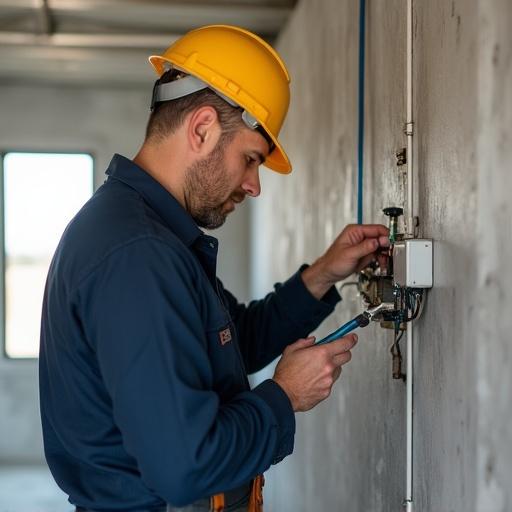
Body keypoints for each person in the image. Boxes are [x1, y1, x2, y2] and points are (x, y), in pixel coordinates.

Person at [39, 25, 389, 512]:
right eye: (251, 159)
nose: (254, 185)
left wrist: (325, 274)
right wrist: (283, 396)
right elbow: (186, 466)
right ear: (202, 129)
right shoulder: (139, 255)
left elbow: (227, 344)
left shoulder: (147, 233)